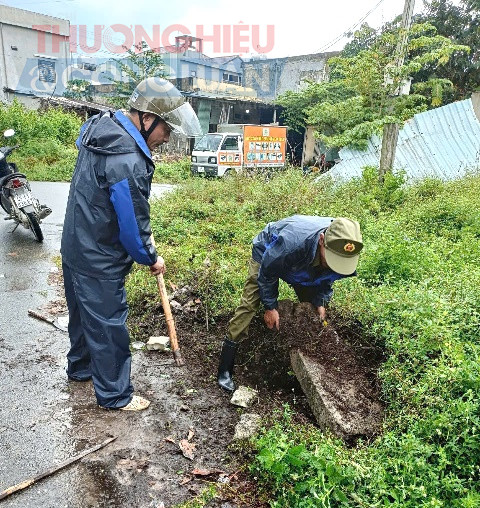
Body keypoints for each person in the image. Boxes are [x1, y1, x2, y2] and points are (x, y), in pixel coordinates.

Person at [61, 77, 201, 411]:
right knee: (108, 326)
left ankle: (81, 370)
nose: (166, 138)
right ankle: (115, 396)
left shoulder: (101, 128)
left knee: (82, 315)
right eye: (165, 129)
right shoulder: (129, 160)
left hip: (75, 245)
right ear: (147, 118)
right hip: (99, 257)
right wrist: (150, 257)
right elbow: (133, 225)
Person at [217, 215, 363, 392]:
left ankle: (308, 350)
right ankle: (225, 367)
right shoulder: (291, 243)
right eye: (332, 258)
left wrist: (321, 301)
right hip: (268, 254)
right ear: (322, 240)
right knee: (249, 305)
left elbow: (328, 278)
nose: (335, 265)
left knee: (312, 309)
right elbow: (267, 273)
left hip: (302, 264)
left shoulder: (341, 244)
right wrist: (270, 307)